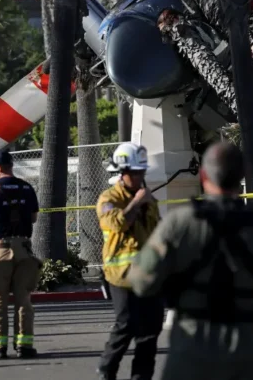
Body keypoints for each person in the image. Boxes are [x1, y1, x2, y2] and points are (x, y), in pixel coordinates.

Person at [128, 142, 253, 380]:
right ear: (241, 176)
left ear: (203, 176)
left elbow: (140, 281)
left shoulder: (179, 223)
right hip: (244, 359)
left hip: (188, 355)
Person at [96, 142, 162, 380]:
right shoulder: (109, 198)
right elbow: (117, 224)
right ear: (122, 172)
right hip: (121, 275)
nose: (138, 177)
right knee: (126, 325)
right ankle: (107, 369)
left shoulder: (148, 199)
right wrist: (137, 203)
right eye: (134, 172)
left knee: (151, 328)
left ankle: (141, 376)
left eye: (141, 172)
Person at [0, 149, 41, 360]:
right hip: (23, 249)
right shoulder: (27, 188)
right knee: (24, 299)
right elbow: (33, 218)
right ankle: (24, 347)